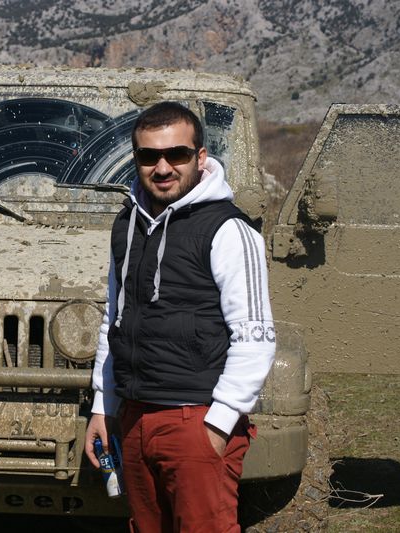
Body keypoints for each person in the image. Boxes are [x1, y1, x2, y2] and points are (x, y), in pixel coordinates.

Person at [84, 101, 276, 532]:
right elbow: (115, 318)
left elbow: (255, 336)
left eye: (177, 154)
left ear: (200, 157)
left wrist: (218, 427)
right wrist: (103, 406)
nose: (162, 167)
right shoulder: (127, 225)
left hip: (196, 419)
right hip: (134, 416)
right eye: (149, 156)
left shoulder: (229, 230)